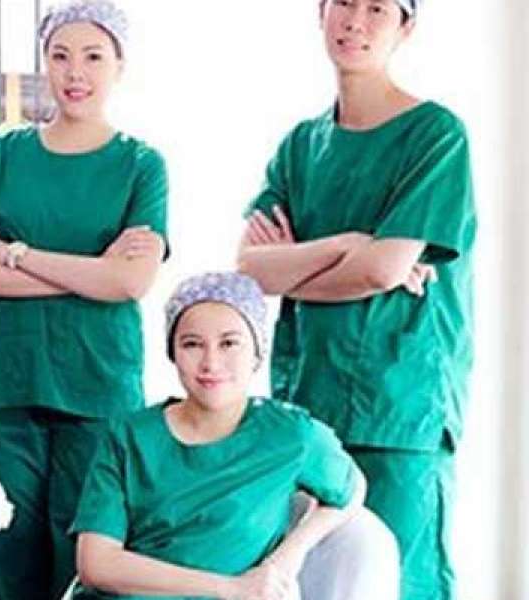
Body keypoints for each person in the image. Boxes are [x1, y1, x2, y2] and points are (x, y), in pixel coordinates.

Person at [237, 2, 475, 597]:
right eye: (343, 2)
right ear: (320, 13)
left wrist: (297, 266)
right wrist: (347, 245)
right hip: (310, 399)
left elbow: (383, 268)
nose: (355, 21)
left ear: (405, 27)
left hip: (400, 404)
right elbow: (250, 269)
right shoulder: (301, 146)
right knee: (314, 580)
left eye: (378, 8)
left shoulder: (435, 136)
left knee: (403, 579)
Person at [0, 2, 167, 598]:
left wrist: (14, 254)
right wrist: (90, 270)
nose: (76, 72)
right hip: (11, 385)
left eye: (93, 57)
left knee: (88, 561)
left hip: (97, 388)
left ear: (119, 66)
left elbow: (130, 283)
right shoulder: (4, 156)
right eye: (60, 56)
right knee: (10, 557)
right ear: (44, 64)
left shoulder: (140, 165)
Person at [71, 272, 366, 600]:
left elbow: (351, 490)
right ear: (172, 353)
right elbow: (97, 565)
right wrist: (229, 588)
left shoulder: (292, 435)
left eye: (229, 343)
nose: (210, 363)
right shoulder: (128, 436)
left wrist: (286, 558)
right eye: (192, 344)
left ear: (257, 351)